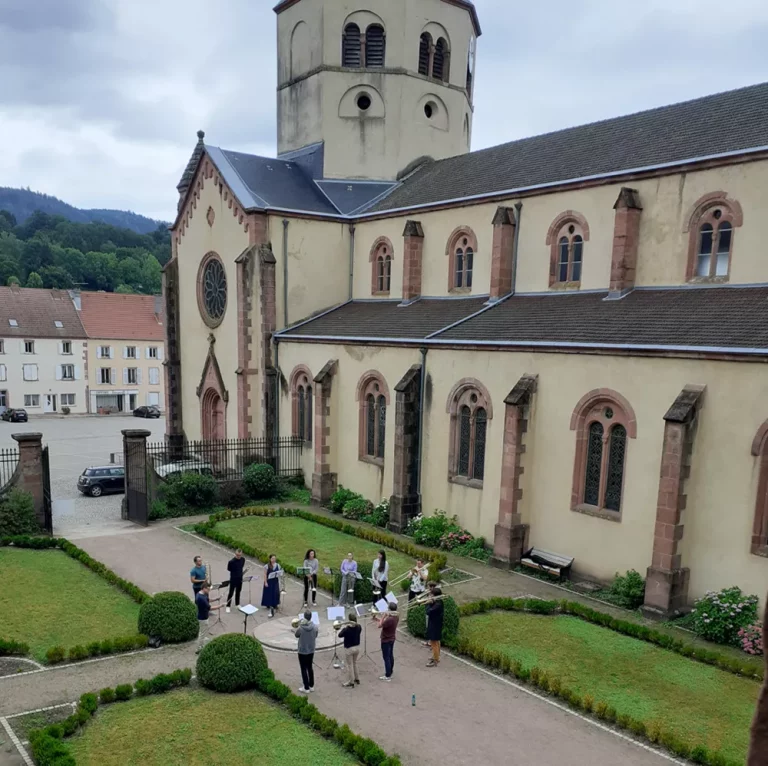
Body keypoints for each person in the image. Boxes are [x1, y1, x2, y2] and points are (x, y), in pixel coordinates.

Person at [295, 610, 318, 693]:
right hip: (311, 650)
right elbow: (316, 635)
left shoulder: (301, 628)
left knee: (303, 668)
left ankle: (306, 687)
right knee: (310, 667)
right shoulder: (315, 626)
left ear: (304, 617)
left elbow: (296, 635)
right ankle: (311, 686)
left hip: (302, 651)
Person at [195, 584, 221, 653]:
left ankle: (201, 644)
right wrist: (220, 606)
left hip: (202, 616)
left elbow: (208, 600)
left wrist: (216, 599)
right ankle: (199, 648)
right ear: (204, 588)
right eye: (208, 589)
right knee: (202, 633)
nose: (209, 591)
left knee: (202, 632)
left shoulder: (200, 594)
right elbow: (210, 608)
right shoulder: (201, 599)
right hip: (203, 618)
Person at [338, 613, 362, 688]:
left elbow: (340, 635)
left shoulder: (347, 629)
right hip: (357, 647)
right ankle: (357, 679)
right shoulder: (359, 627)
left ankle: (351, 682)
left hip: (349, 648)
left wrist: (345, 627)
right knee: (355, 663)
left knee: (350, 665)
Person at [377, 602, 399, 681]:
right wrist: (378, 619)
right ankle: (390, 671)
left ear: (390, 609)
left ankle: (387, 675)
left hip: (386, 639)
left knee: (386, 657)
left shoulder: (389, 619)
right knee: (390, 655)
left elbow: (379, 625)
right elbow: (384, 623)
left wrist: (383, 616)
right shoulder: (396, 617)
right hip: (392, 638)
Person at [425, 588, 445, 667]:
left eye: (431, 594)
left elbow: (428, 612)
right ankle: (435, 656)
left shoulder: (438, 604)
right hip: (435, 623)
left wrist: (428, 603)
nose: (430, 596)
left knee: (434, 642)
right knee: (436, 642)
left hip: (435, 625)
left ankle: (435, 660)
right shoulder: (437, 602)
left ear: (434, 595)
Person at [225, 549, 246, 613]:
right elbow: (229, 569)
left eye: (240, 555)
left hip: (240, 578)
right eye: (237, 555)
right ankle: (228, 606)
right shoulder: (231, 562)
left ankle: (237, 604)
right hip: (233, 579)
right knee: (231, 593)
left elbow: (241, 567)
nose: (238, 556)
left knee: (238, 591)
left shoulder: (243, 559)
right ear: (235, 554)